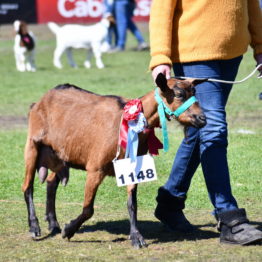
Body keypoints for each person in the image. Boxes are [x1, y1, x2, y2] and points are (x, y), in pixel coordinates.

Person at [149, 0, 262, 245]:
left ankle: (170, 202)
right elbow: (161, 10)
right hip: (194, 56)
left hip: (231, 56)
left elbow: (251, 4)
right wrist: (159, 57)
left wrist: (260, 45)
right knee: (213, 128)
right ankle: (230, 219)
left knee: (199, 132)